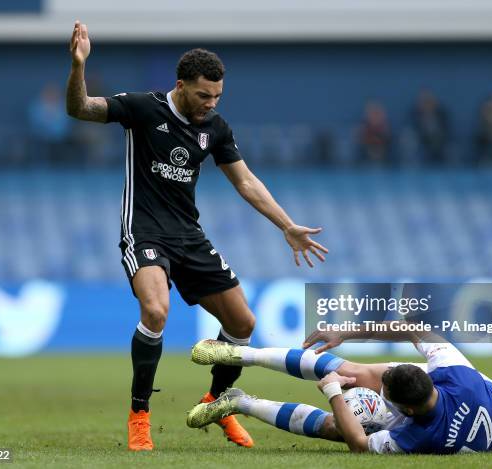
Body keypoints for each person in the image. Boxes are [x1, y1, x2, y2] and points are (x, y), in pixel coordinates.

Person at [65, 21, 328, 451]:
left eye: (217, 96)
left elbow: (246, 183)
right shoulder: (143, 108)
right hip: (144, 229)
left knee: (243, 322)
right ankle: (139, 416)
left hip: (189, 235)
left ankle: (217, 404)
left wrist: (287, 225)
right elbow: (80, 109)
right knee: (155, 310)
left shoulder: (217, 128)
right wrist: (78, 67)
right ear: (180, 85)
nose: (210, 103)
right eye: (203, 95)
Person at [186, 325, 492, 454]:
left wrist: (333, 393)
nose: (383, 383)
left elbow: (358, 444)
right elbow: (416, 328)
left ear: (405, 411)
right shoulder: (455, 372)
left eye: (387, 393)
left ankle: (240, 403)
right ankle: (240, 353)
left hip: (448, 420)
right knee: (353, 372)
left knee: (337, 427)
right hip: (483, 395)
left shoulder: (418, 437)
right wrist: (346, 333)